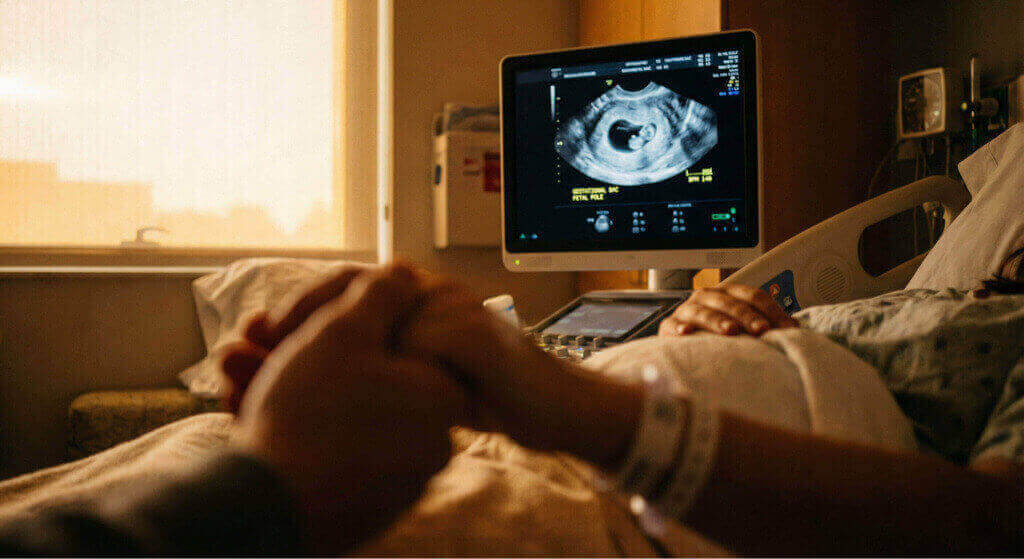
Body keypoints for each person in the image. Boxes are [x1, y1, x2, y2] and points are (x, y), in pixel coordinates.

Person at [1, 261, 1023, 555]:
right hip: (554, 440)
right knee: (189, 448)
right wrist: (705, 311)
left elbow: (985, 527)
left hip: (647, 505)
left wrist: (582, 411)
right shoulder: (921, 286)